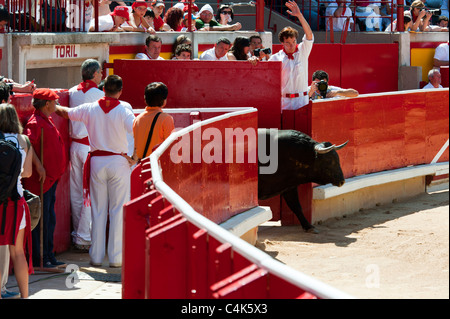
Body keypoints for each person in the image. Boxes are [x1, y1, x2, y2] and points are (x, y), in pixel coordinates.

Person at [55, 75, 135, 268]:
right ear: (120, 90)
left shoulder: (90, 108)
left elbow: (65, 112)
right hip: (118, 161)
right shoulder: (125, 109)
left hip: (97, 161)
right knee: (117, 210)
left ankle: (96, 257)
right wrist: (134, 157)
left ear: (104, 89)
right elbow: (137, 129)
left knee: (98, 210)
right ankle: (116, 258)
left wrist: (50, 102)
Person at [23, 88, 66, 269]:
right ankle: (42, 258)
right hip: (41, 181)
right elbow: (28, 145)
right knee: (43, 220)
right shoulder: (35, 123)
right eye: (54, 102)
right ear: (47, 104)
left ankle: (48, 255)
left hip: (49, 179)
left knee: (49, 218)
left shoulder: (44, 120)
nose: (56, 104)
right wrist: (39, 165)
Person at [68, 59, 105, 252]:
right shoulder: (99, 94)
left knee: (75, 192)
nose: (102, 75)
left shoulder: (72, 91)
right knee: (88, 193)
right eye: (100, 72)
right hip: (88, 148)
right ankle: (83, 237)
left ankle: (77, 233)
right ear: (94, 74)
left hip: (74, 146)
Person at [0, 103, 34, 299]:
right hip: (16, 200)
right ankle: (25, 295)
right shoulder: (24, 141)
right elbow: (28, 173)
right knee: (18, 252)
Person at [268, 1, 313, 111]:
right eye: (288, 42)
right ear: (282, 43)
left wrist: (299, 15)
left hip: (302, 100)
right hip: (284, 101)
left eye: (294, 41)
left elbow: (309, 35)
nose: (292, 45)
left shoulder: (302, 51)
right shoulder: (275, 58)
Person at [133, 82, 174, 160]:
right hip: (157, 164)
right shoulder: (166, 119)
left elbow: (136, 147)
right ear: (164, 100)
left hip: (143, 164)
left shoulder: (137, 119)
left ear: (145, 98)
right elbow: (171, 146)